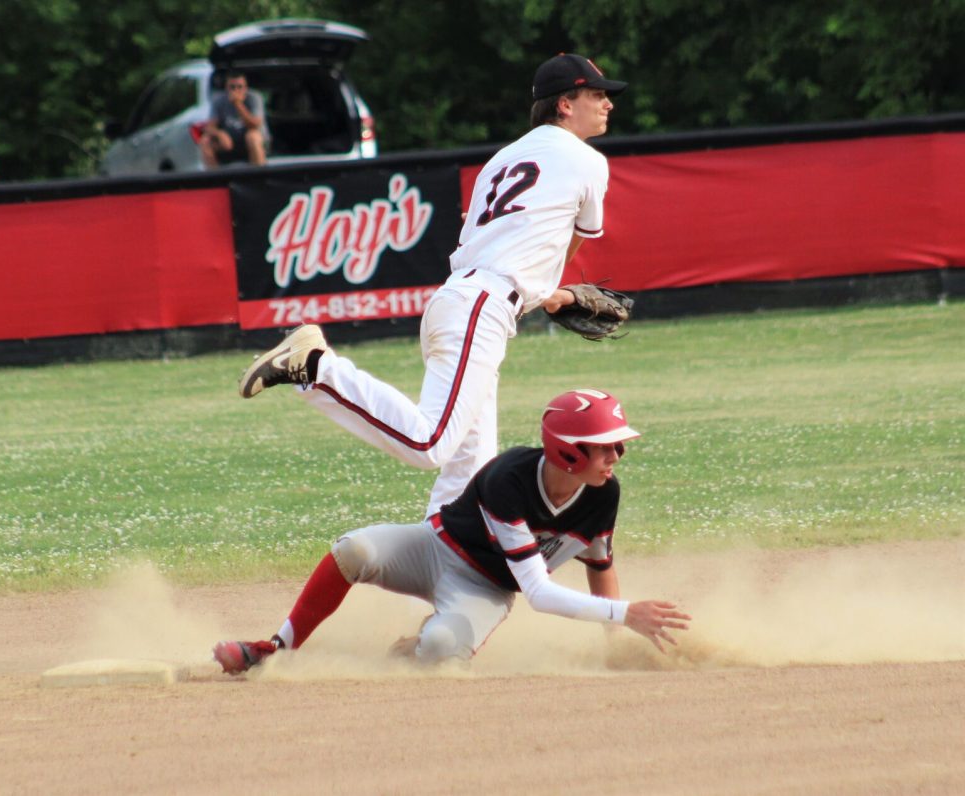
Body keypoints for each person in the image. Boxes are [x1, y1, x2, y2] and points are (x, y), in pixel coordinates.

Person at [238, 53, 626, 518]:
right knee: (430, 443)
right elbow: (566, 246)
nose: (607, 104)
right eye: (597, 94)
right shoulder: (587, 160)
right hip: (481, 308)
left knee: (470, 477)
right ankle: (317, 367)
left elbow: (504, 248)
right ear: (565, 104)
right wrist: (553, 289)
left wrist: (551, 294)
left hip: (464, 300)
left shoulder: (501, 160)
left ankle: (444, 556)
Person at [213, 389, 691, 673]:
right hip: (434, 548)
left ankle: (416, 646)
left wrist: (614, 643)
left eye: (617, 447)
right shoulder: (509, 479)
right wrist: (625, 613)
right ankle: (275, 649)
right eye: (605, 447)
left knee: (440, 651)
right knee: (353, 549)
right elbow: (540, 594)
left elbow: (599, 564)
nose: (616, 456)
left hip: (485, 589)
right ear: (569, 452)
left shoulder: (604, 494)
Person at [199, 71, 269, 168]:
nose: (236, 90)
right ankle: (214, 176)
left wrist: (238, 104)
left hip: (251, 143)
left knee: (252, 136)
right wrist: (220, 134)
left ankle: (258, 173)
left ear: (245, 88)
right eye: (232, 87)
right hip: (229, 143)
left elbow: (254, 125)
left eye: (240, 87)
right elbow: (209, 127)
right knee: (205, 141)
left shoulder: (254, 98)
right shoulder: (219, 100)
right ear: (226, 88)